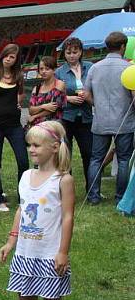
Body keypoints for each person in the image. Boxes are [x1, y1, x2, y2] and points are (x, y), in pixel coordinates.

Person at [0, 121, 75, 300]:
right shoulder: (25, 177)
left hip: (49, 255)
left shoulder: (62, 180)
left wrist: (63, 251)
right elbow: (22, 209)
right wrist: (12, 239)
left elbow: (67, 217)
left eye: (36, 145)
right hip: (26, 253)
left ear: (54, 147)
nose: (31, 149)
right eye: (29, 144)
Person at [85, 31, 135, 205]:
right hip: (124, 120)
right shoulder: (128, 68)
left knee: (96, 159)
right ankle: (120, 196)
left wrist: (96, 104)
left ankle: (93, 197)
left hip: (100, 120)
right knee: (123, 159)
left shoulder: (94, 67)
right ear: (122, 47)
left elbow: (86, 94)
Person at [0, 43, 28, 212]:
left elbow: (22, 93)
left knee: (23, 159)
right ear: (2, 56)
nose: (9, 59)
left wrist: (17, 102)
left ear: (16, 60)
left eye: (12, 57)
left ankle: (23, 194)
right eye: (7, 56)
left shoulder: (18, 76)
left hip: (14, 125)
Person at [55, 37, 93, 193]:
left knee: (89, 154)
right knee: (66, 155)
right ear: (64, 53)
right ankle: (66, 190)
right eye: (68, 52)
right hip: (66, 117)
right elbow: (54, 96)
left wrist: (88, 96)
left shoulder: (90, 67)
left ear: (81, 52)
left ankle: (92, 189)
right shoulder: (59, 72)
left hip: (86, 116)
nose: (71, 55)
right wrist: (68, 98)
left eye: (75, 52)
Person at [27, 57, 66, 128]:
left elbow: (53, 108)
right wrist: (43, 106)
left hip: (53, 126)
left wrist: (35, 115)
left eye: (47, 69)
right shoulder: (37, 88)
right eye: (41, 69)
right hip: (37, 127)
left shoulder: (59, 84)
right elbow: (31, 110)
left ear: (54, 70)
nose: (44, 71)